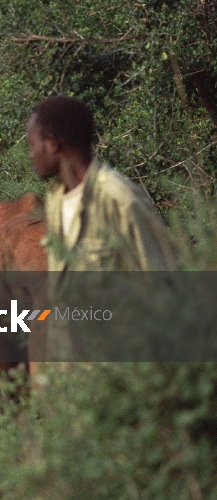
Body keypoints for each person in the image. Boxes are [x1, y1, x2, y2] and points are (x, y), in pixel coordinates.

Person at [26, 95, 177, 362]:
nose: (31, 154)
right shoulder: (54, 200)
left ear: (52, 144)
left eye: (33, 145)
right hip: (68, 381)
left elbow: (164, 290)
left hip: (115, 379)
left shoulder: (120, 199)